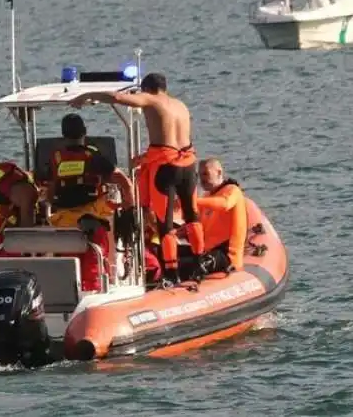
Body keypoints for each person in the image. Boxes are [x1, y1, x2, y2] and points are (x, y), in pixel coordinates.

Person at [68, 73, 204, 283]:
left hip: (166, 168)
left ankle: (171, 274)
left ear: (147, 89)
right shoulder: (180, 105)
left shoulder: (150, 99)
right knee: (192, 216)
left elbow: (117, 98)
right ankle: (200, 263)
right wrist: (144, 158)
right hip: (188, 164)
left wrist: (86, 96)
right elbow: (174, 141)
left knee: (164, 224)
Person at [45, 113, 136, 292]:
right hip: (93, 217)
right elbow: (123, 180)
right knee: (97, 256)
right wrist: (129, 207)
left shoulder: (55, 158)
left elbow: (51, 191)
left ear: (63, 135)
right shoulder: (93, 156)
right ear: (84, 132)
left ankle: (69, 291)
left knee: (70, 262)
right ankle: (104, 282)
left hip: (64, 221)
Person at [196, 158, 247, 273]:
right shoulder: (206, 197)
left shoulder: (233, 190)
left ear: (219, 172)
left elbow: (225, 204)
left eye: (205, 174)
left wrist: (194, 201)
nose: (202, 179)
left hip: (227, 256)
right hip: (208, 252)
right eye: (200, 175)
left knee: (194, 267)